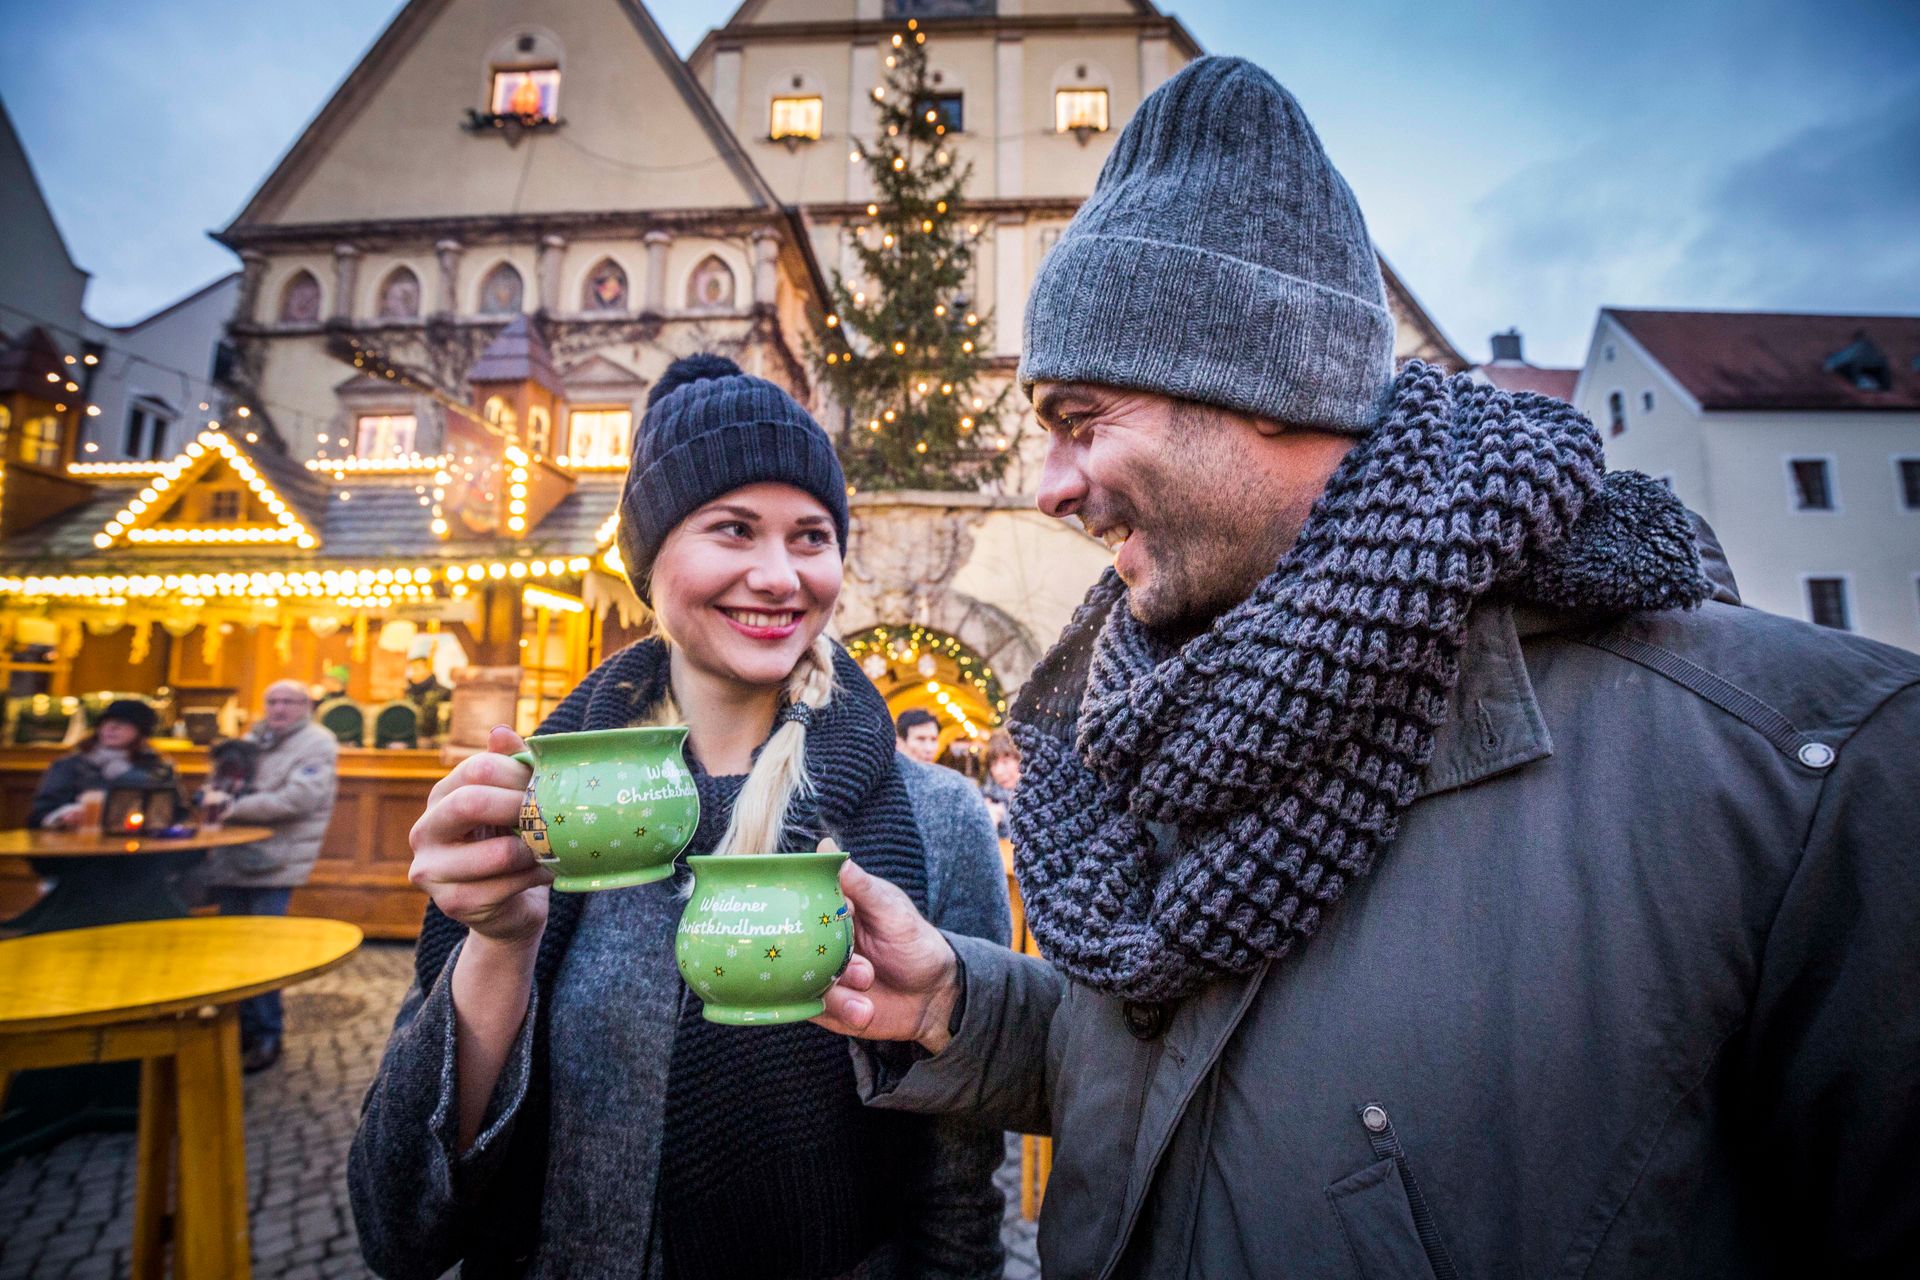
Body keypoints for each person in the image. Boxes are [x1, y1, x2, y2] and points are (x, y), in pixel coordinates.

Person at [815, 57, 1920, 1278]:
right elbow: (1178, 1075)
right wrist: (953, 1006)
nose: (1051, 485)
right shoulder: (1160, 720)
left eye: (1086, 420)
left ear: (1268, 386)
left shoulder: (1803, 773)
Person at [349, 354, 1010, 1280]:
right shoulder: (538, 815)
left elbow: (957, 1192)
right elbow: (400, 1226)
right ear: (650, 558)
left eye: (811, 536)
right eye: (733, 529)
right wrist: (499, 942)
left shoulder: (936, 820)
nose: (779, 576)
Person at [199, 679, 341, 1073]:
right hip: (233, 857)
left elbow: (299, 799)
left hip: (276, 858)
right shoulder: (252, 739)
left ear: (305, 705)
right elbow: (220, 782)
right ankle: (238, 1029)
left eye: (289, 702)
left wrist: (230, 807)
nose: (279, 709)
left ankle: (267, 1034)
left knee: (262, 950)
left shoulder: (317, 743)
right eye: (272, 701)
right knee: (231, 947)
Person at [28, 699, 176, 829]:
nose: (111, 728)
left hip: (139, 846)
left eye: (122, 723)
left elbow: (176, 813)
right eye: (106, 722)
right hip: (75, 847)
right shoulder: (70, 765)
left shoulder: (158, 768)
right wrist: (62, 816)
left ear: (142, 733)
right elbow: (40, 814)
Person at [978, 731, 1020, 840]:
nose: (999, 771)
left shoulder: (1039, 797)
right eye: (993, 764)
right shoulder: (984, 800)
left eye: (1005, 762)